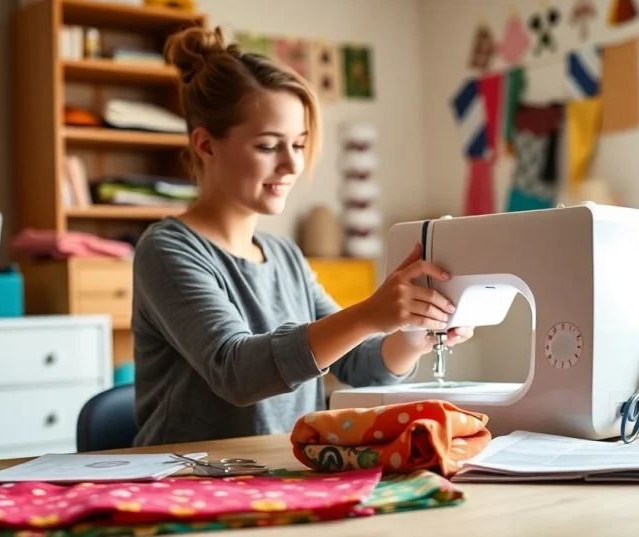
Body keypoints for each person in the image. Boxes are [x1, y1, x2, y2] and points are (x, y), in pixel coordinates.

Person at [130, 26, 474, 447]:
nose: (292, 165)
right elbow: (235, 371)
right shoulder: (167, 250)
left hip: (278, 475)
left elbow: (359, 363)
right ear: (206, 145)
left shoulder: (284, 255)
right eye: (268, 146)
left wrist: (414, 331)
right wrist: (369, 314)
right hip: (186, 485)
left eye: (299, 144)